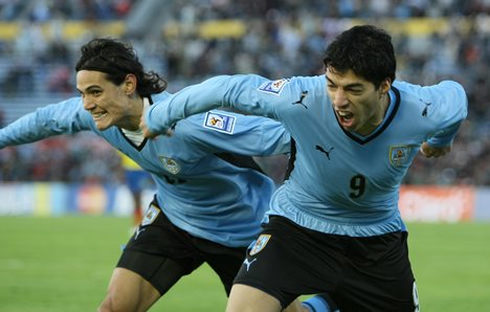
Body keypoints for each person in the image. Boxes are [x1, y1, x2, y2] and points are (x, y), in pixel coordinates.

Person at [141, 25, 468, 312]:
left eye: (353, 89)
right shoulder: (302, 96)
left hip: (375, 241)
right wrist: (160, 115)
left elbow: (456, 97)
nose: (339, 100)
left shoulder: (422, 108)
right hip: (297, 227)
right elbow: (228, 89)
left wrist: (441, 139)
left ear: (385, 85)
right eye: (333, 84)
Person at [0, 38, 308, 312]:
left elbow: (276, 136)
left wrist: (340, 142)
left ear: (129, 84)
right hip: (174, 221)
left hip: (244, 231)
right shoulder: (97, 116)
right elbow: (45, 120)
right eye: (82, 94)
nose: (87, 104)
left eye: (95, 92)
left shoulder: (188, 121)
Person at [117, 151, 153, 228]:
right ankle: (138, 222)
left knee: (138, 197)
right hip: (129, 171)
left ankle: (141, 222)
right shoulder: (123, 141)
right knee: (136, 198)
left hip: (140, 170)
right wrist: (121, 173)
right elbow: (120, 158)